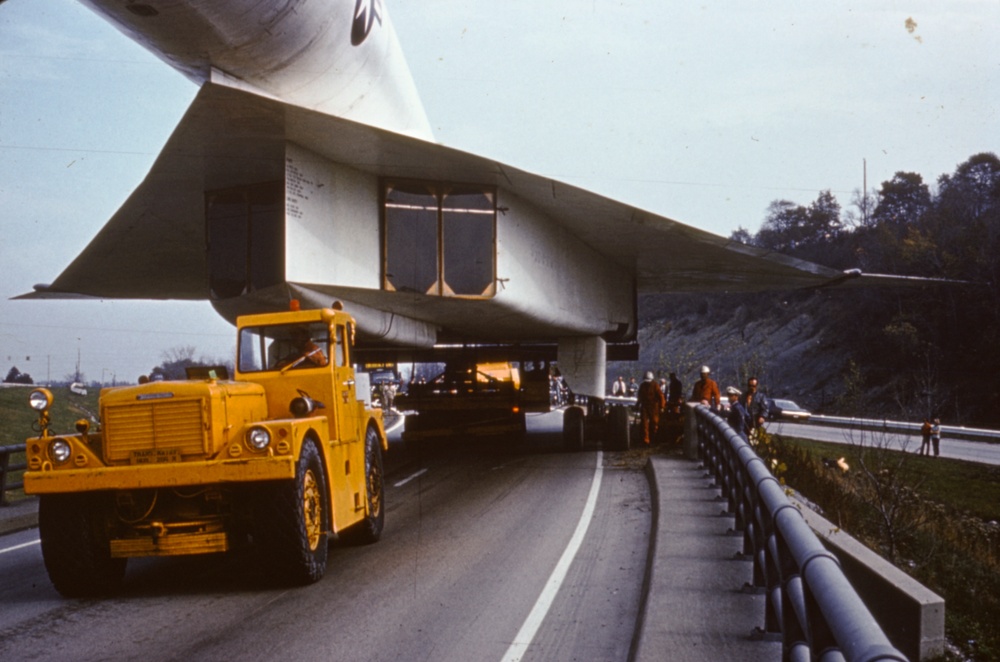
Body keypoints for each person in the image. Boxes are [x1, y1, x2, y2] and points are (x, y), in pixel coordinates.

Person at [636, 371, 666, 444]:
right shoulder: (642, 386)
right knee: (644, 424)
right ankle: (645, 440)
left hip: (654, 407)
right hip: (645, 406)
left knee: (654, 423)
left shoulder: (655, 385)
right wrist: (637, 404)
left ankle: (654, 438)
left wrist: (662, 407)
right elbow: (640, 396)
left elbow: (661, 396)